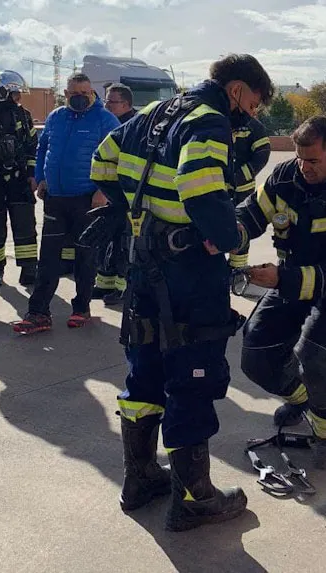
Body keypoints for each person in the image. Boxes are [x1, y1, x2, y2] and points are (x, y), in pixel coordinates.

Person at [89, 53, 274, 531]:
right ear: (236, 90)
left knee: (143, 370)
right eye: (253, 103)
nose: (252, 115)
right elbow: (200, 192)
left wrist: (134, 212)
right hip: (189, 273)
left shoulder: (155, 113)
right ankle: (194, 498)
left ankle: (140, 479)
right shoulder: (210, 122)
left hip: (142, 267)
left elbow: (103, 161)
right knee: (192, 378)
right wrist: (233, 235)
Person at [237, 116, 326, 470]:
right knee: (256, 352)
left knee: (315, 356)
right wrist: (233, 230)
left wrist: (281, 279)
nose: (303, 167)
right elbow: (253, 214)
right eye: (299, 157)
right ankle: (303, 399)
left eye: (313, 160)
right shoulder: (285, 176)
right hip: (290, 278)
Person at [12, 73, 119, 333]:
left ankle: (81, 307)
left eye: (84, 92)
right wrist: (40, 177)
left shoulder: (105, 120)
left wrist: (103, 191)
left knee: (85, 254)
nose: (78, 98)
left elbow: (119, 156)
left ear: (92, 93)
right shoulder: (56, 117)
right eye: (73, 93)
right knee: (48, 257)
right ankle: (38, 313)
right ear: (66, 94)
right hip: (56, 197)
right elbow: (42, 148)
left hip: (87, 198)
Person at [0, 70, 39, 288]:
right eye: (15, 94)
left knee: (25, 225)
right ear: (2, 91)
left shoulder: (23, 116)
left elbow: (32, 146)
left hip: (19, 180)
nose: (18, 99)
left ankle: (28, 269)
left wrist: (31, 174)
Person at [91, 83, 137, 306]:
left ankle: (123, 289)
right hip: (111, 190)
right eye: (106, 101)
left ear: (126, 104)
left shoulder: (134, 126)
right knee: (107, 238)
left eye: (112, 102)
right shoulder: (109, 122)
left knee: (123, 242)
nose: (106, 105)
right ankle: (104, 283)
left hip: (125, 194)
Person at [227, 115, 271, 271]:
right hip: (218, 189)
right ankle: (215, 267)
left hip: (243, 190)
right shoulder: (216, 121)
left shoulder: (254, 126)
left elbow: (262, 154)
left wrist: (242, 175)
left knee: (241, 225)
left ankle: (238, 268)